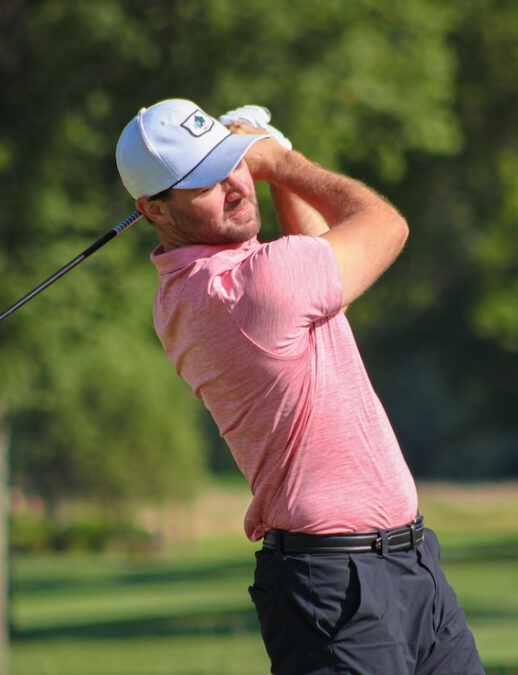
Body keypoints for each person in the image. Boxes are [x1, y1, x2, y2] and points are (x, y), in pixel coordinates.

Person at [115, 99, 484, 675]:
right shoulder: (248, 292)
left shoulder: (198, 286)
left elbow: (316, 259)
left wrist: (265, 160)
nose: (236, 185)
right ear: (153, 208)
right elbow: (386, 225)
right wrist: (281, 161)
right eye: (205, 181)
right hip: (338, 591)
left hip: (406, 566)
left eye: (231, 162)